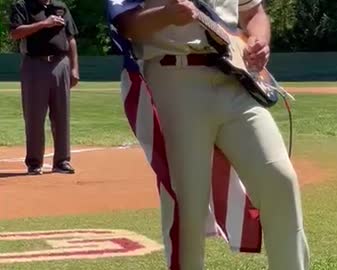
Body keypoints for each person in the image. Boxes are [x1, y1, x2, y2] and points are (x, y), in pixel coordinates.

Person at [108, 0, 309, 269]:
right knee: (188, 204)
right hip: (175, 78)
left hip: (236, 79)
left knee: (280, 178)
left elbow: (254, 12)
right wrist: (166, 15)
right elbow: (126, 22)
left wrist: (259, 40)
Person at [9, 0, 79, 175]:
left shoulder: (61, 7)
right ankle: (34, 163)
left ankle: (62, 161)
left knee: (62, 114)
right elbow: (15, 33)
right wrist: (43, 24)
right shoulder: (23, 6)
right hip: (34, 64)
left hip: (60, 63)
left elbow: (70, 38)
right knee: (34, 116)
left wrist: (74, 67)